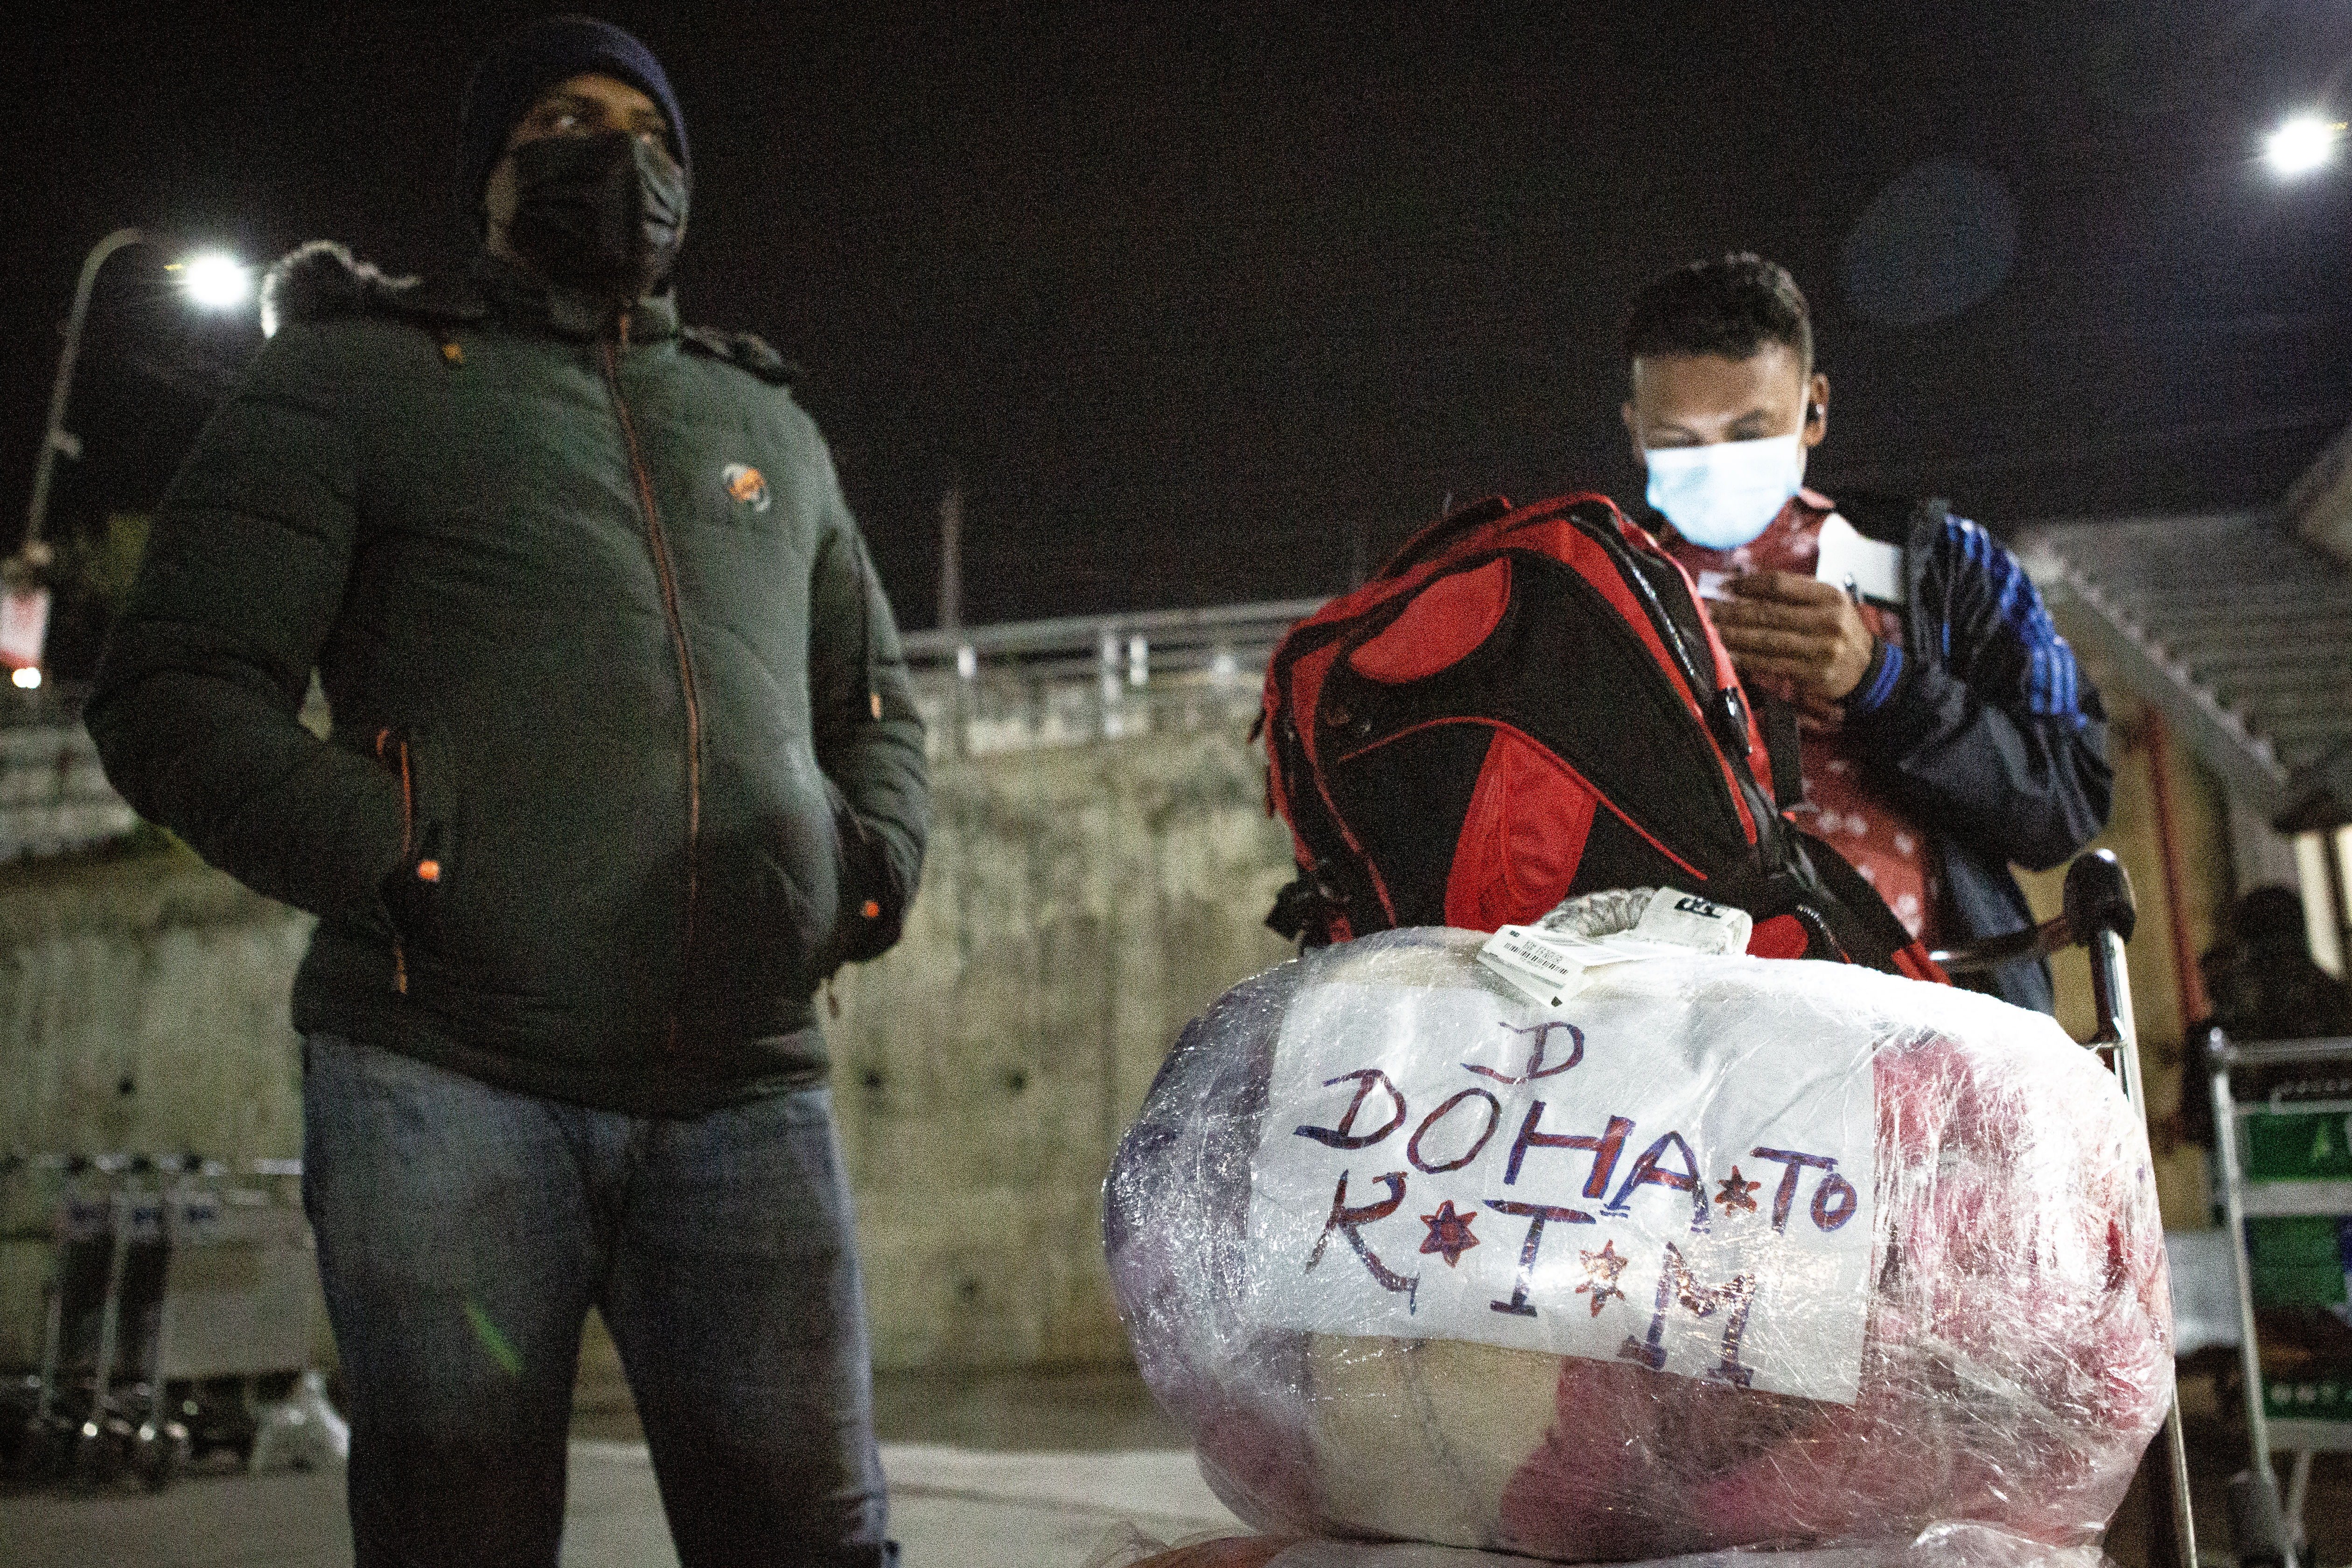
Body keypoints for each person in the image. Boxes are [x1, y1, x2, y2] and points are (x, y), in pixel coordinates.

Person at [87, 18, 924, 1567]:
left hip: (746, 1092)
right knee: (458, 1535)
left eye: (648, 130)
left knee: (815, 1546)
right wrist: (408, 858)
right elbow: (175, 689)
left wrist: (863, 872)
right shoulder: (354, 381)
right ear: (486, 177)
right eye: (563, 117)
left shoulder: (766, 426)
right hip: (446, 1082)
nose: (617, 154)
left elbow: (869, 705)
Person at [1619, 254, 2109, 1012]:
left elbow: (2066, 795)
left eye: (1750, 431)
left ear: (1813, 409)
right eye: (1680, 443)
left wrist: (1881, 682)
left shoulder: (1943, 564)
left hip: (1933, 1024)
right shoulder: (1607, 590)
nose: (1715, 466)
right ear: (1635, 435)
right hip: (1680, 1044)